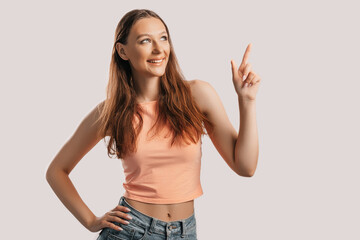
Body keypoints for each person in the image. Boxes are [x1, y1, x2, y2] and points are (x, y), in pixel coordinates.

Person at [45, 8, 261, 240]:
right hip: (130, 230)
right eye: (145, 40)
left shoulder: (198, 95)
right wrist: (90, 221)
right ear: (123, 51)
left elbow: (245, 167)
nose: (159, 49)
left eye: (163, 38)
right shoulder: (111, 112)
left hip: (185, 232)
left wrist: (246, 101)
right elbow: (56, 171)